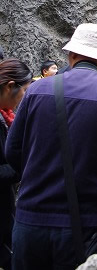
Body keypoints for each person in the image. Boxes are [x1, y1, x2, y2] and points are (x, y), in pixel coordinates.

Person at [6, 23, 97, 270]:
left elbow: (13, 151)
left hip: (29, 220)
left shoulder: (36, 90)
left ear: (70, 55)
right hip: (84, 224)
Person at [0, 59, 32, 270]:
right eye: (24, 92)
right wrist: (26, 164)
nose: (23, 99)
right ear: (11, 86)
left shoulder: (5, 115)